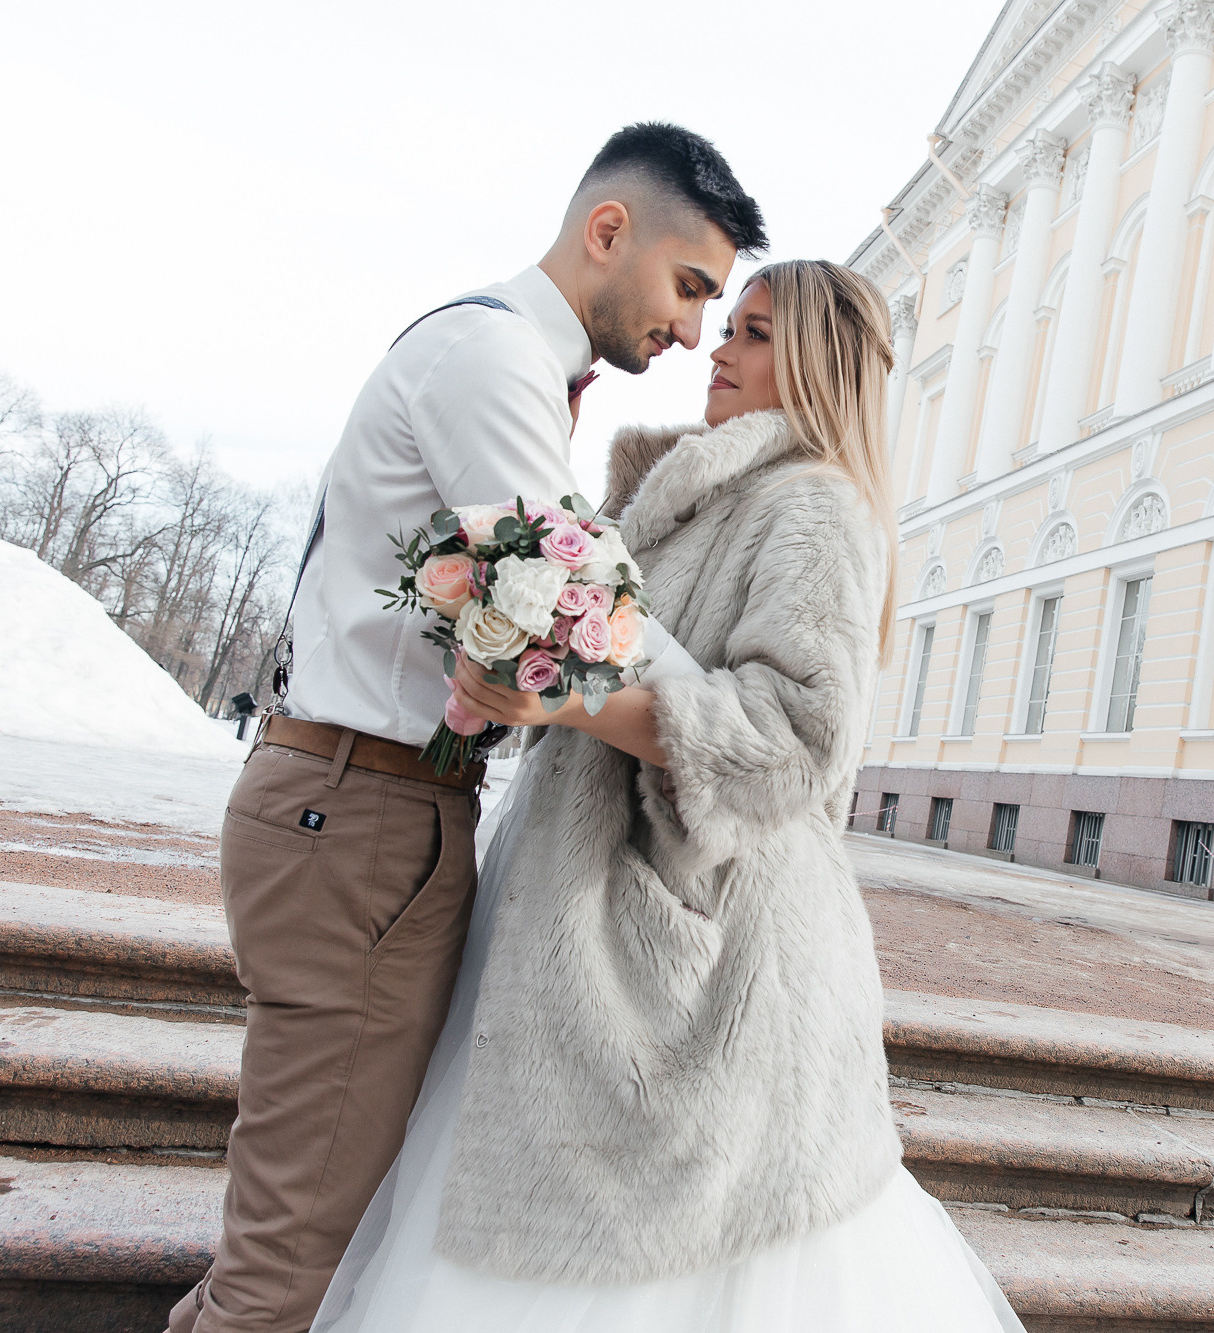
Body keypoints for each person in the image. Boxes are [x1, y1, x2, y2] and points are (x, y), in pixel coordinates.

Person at [311, 261, 1025, 1331]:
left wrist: (569, 700)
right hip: (585, 911)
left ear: (818, 363)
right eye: (725, 324)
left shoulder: (813, 505)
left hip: (710, 946)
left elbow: (797, 736)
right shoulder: (685, 495)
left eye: (753, 332)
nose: (718, 350)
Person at [170, 124, 768, 1333]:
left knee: (301, 1227)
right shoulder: (494, 360)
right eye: (690, 287)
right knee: (292, 1259)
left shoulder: (495, 352)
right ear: (609, 231)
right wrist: (742, 726)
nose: (694, 332)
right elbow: (580, 606)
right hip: (364, 814)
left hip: (366, 806)